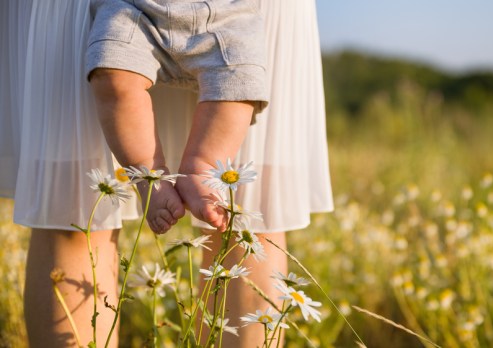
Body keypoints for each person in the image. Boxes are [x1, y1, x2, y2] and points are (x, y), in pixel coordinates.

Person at [0, 0, 332, 347]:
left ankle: (203, 167)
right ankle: (148, 173)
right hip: (127, 7)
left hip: (233, 7)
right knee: (109, 86)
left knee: (243, 208)